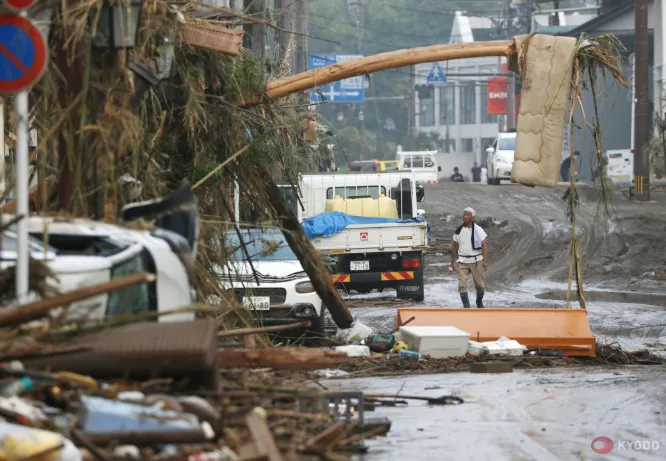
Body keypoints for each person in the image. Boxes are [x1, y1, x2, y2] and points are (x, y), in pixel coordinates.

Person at [449, 207, 488, 308]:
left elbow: (484, 245)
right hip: (462, 261)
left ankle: (479, 301)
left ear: (472, 217)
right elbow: (454, 247)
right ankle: (466, 307)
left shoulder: (478, 230)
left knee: (479, 285)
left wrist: (485, 261)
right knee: (462, 285)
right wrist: (452, 264)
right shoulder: (458, 231)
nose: (465, 217)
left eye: (468, 215)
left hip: (476, 260)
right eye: (464, 215)